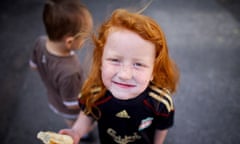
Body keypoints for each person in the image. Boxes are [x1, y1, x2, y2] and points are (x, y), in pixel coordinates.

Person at [59, 9, 179, 144]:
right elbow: (88, 115)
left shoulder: (160, 102)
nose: (124, 75)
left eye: (138, 64)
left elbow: (161, 127)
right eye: (115, 60)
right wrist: (76, 132)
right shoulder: (94, 93)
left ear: (154, 71)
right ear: (101, 61)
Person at [29, 0, 93, 129]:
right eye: (83, 37)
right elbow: (72, 104)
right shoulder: (70, 71)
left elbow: (33, 66)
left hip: (54, 100)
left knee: (68, 121)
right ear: (69, 41)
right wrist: (91, 99)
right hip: (70, 110)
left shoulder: (40, 42)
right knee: (77, 122)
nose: (85, 40)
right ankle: (84, 134)